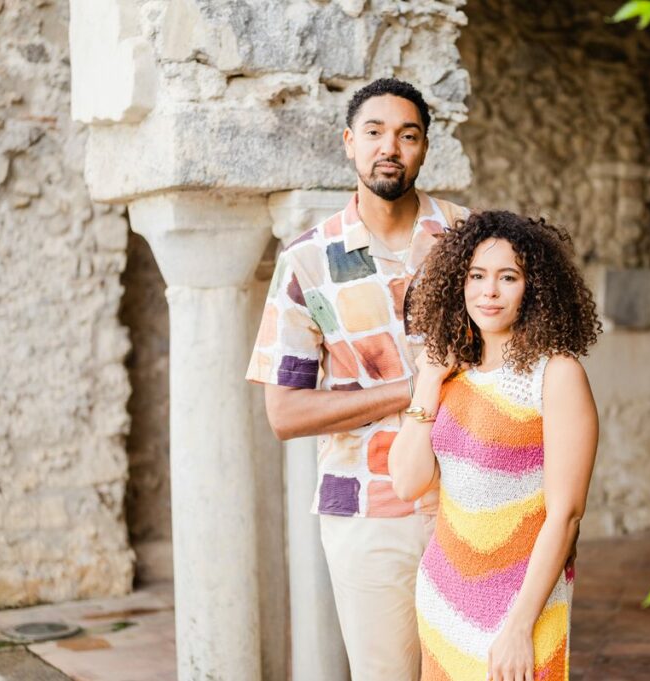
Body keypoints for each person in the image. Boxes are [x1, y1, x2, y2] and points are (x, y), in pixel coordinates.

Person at [245, 78, 468, 681]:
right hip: (367, 508)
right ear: (349, 143)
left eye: (407, 134)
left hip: (471, 498)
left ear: (425, 148)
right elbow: (285, 415)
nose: (389, 147)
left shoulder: (470, 244)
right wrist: (413, 388)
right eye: (374, 132)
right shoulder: (308, 261)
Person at [389, 211, 601, 681]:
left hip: (523, 607)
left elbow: (565, 515)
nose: (489, 291)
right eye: (476, 276)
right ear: (457, 284)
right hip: (444, 599)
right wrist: (428, 380)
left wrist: (519, 627)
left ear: (535, 289)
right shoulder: (453, 373)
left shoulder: (555, 375)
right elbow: (406, 482)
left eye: (508, 277)